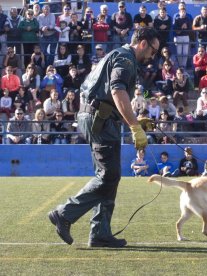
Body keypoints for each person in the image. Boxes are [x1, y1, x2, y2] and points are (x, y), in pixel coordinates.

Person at [48, 27, 159, 248]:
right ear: (144, 43)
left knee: (110, 175)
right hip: (100, 119)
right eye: (153, 51)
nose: (153, 56)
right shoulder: (126, 60)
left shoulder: (120, 56)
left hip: (99, 117)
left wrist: (135, 120)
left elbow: (117, 93)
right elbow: (117, 91)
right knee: (108, 175)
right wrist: (135, 126)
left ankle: (100, 232)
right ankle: (64, 213)